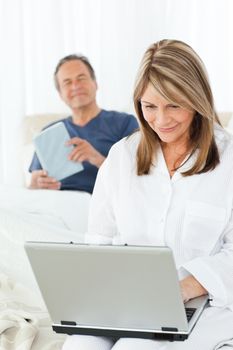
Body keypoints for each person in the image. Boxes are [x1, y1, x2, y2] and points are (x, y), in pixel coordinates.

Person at [62, 40, 233, 349]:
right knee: (79, 345)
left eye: (174, 105)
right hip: (125, 303)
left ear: (197, 99)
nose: (162, 121)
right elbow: (99, 242)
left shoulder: (228, 160)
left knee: (136, 346)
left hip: (202, 304)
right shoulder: (121, 157)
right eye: (150, 106)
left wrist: (182, 288)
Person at [29, 54, 138, 193]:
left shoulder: (125, 123)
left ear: (95, 83)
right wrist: (35, 183)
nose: (75, 86)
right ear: (60, 94)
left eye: (81, 78)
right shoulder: (48, 132)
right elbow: (32, 186)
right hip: (54, 202)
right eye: (67, 82)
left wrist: (97, 159)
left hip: (98, 200)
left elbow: (138, 178)